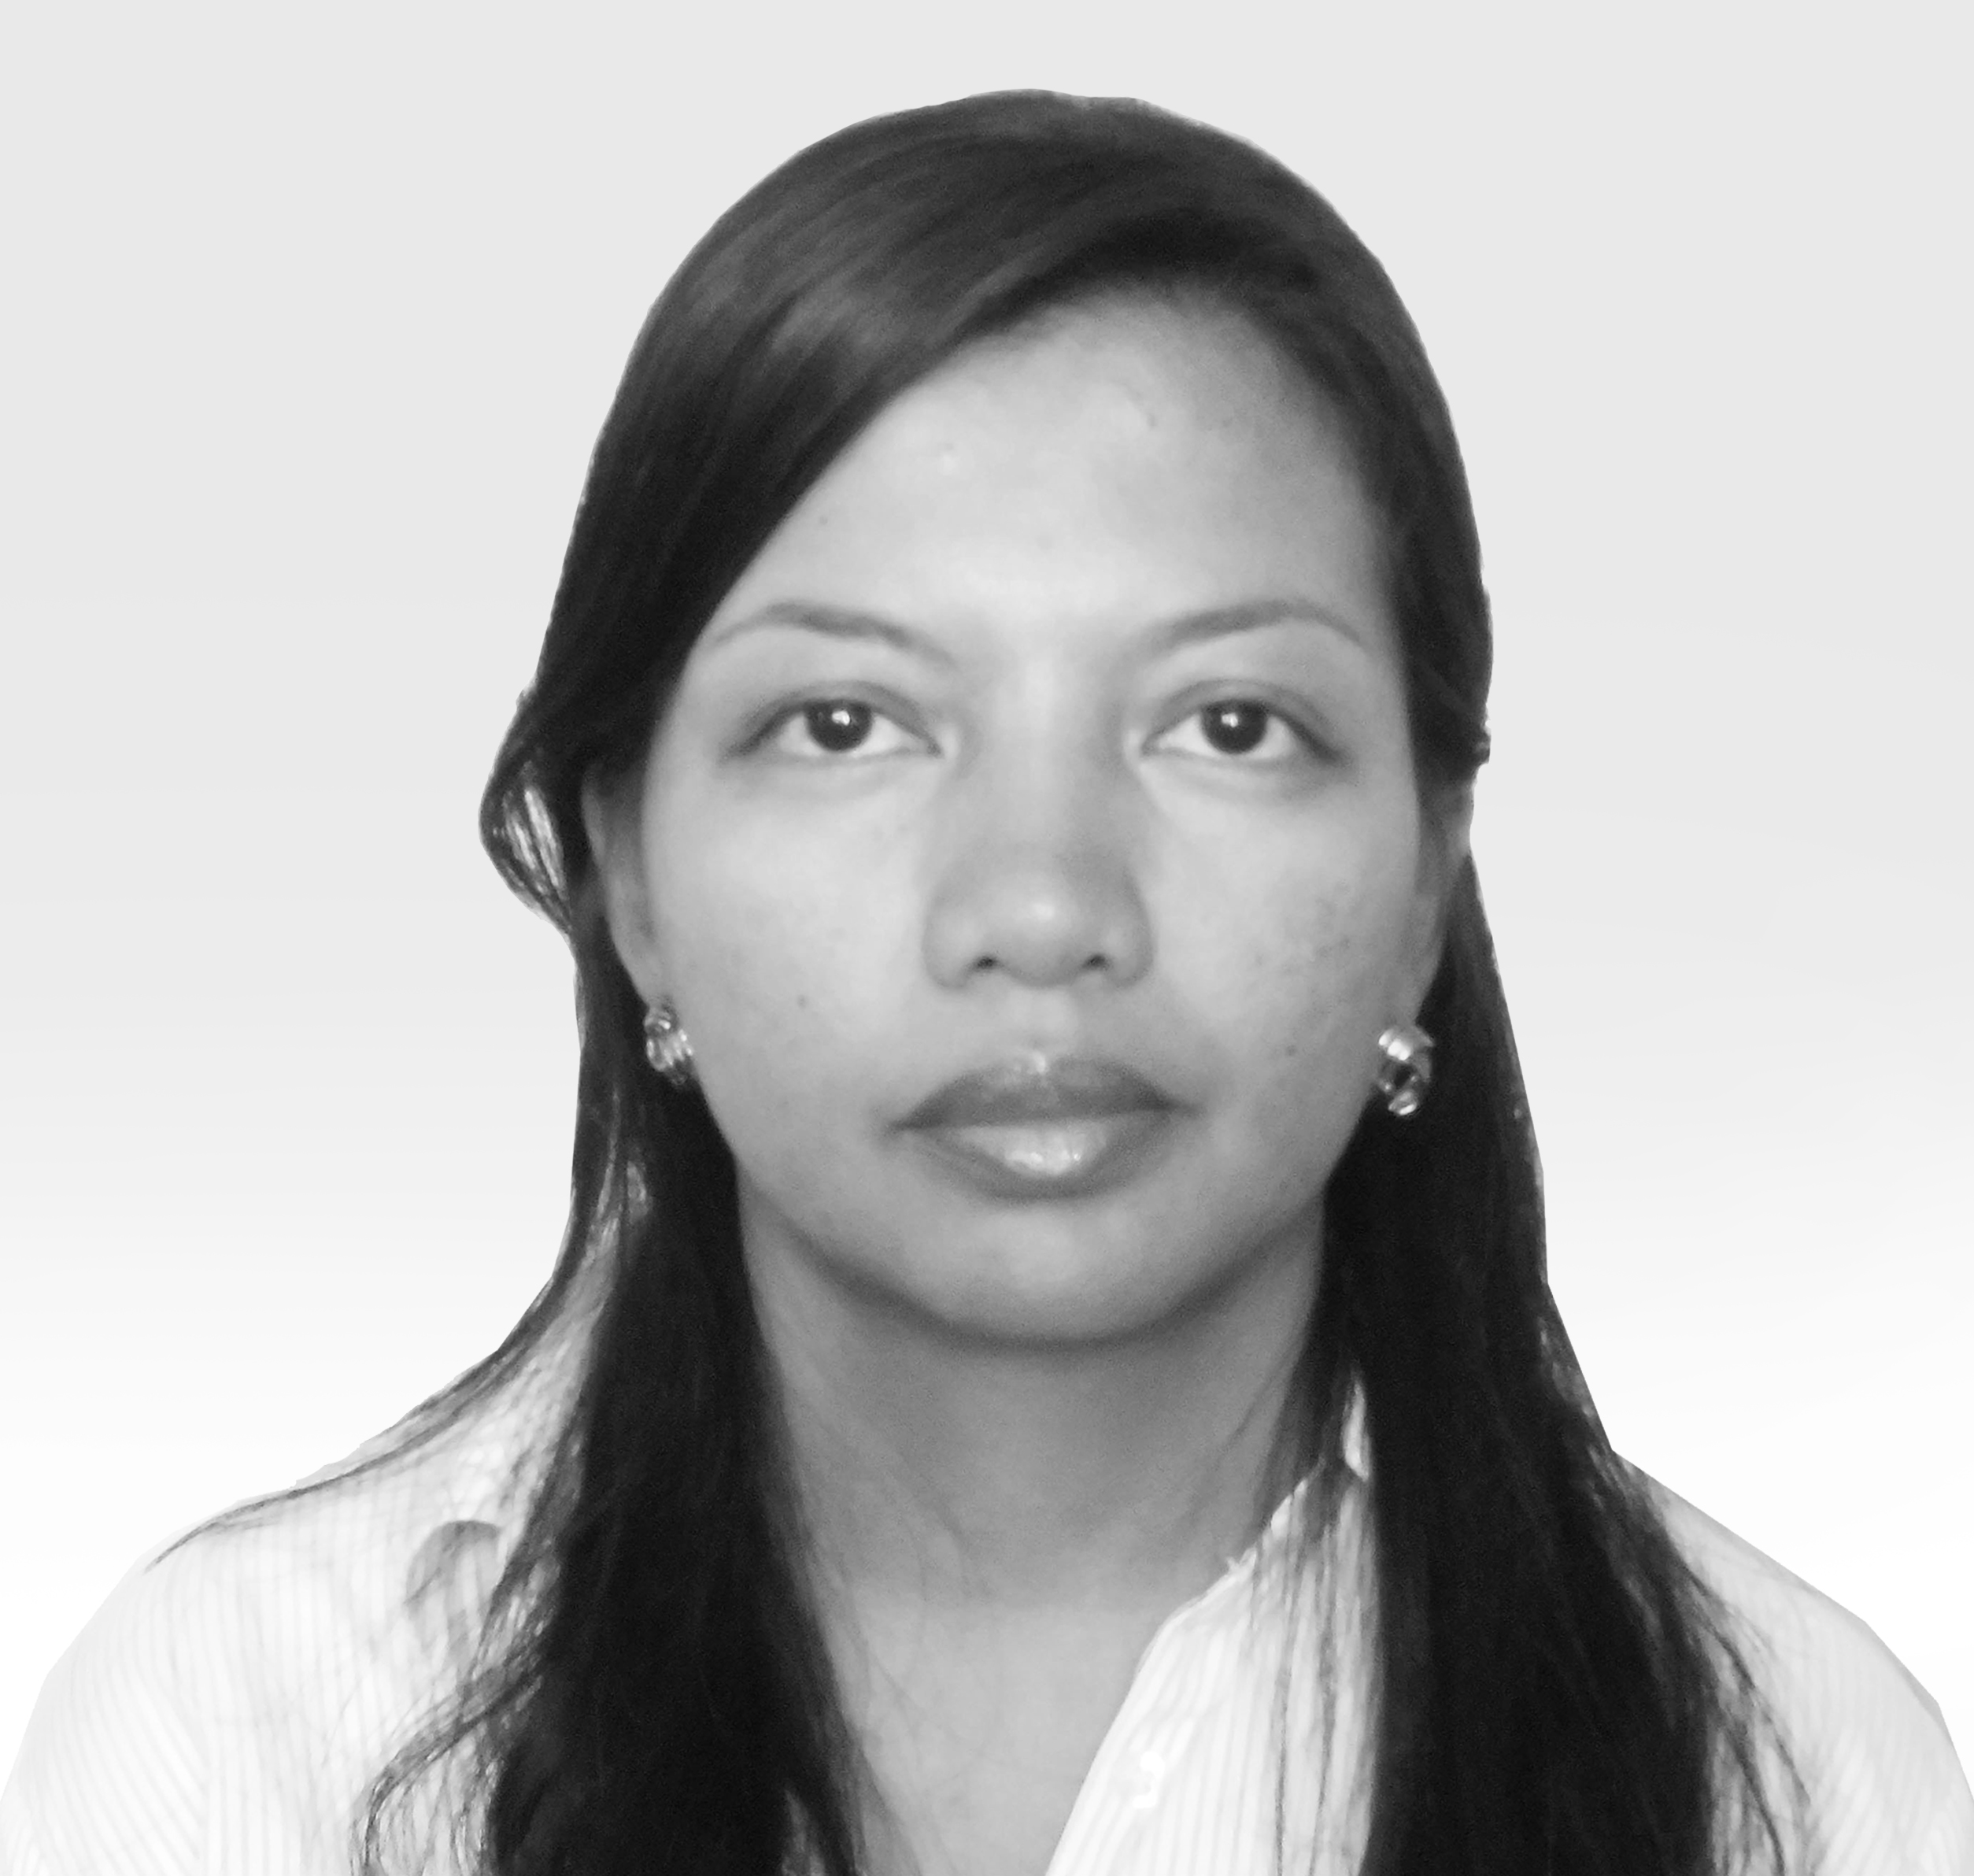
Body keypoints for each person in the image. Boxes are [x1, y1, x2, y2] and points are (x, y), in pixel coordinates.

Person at [2, 91, 1967, 1876]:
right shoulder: (248, 1732)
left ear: (1426, 877)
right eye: (846, 722)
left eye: (1229, 723)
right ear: (631, 881)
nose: (1040, 908)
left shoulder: (1785, 1772)